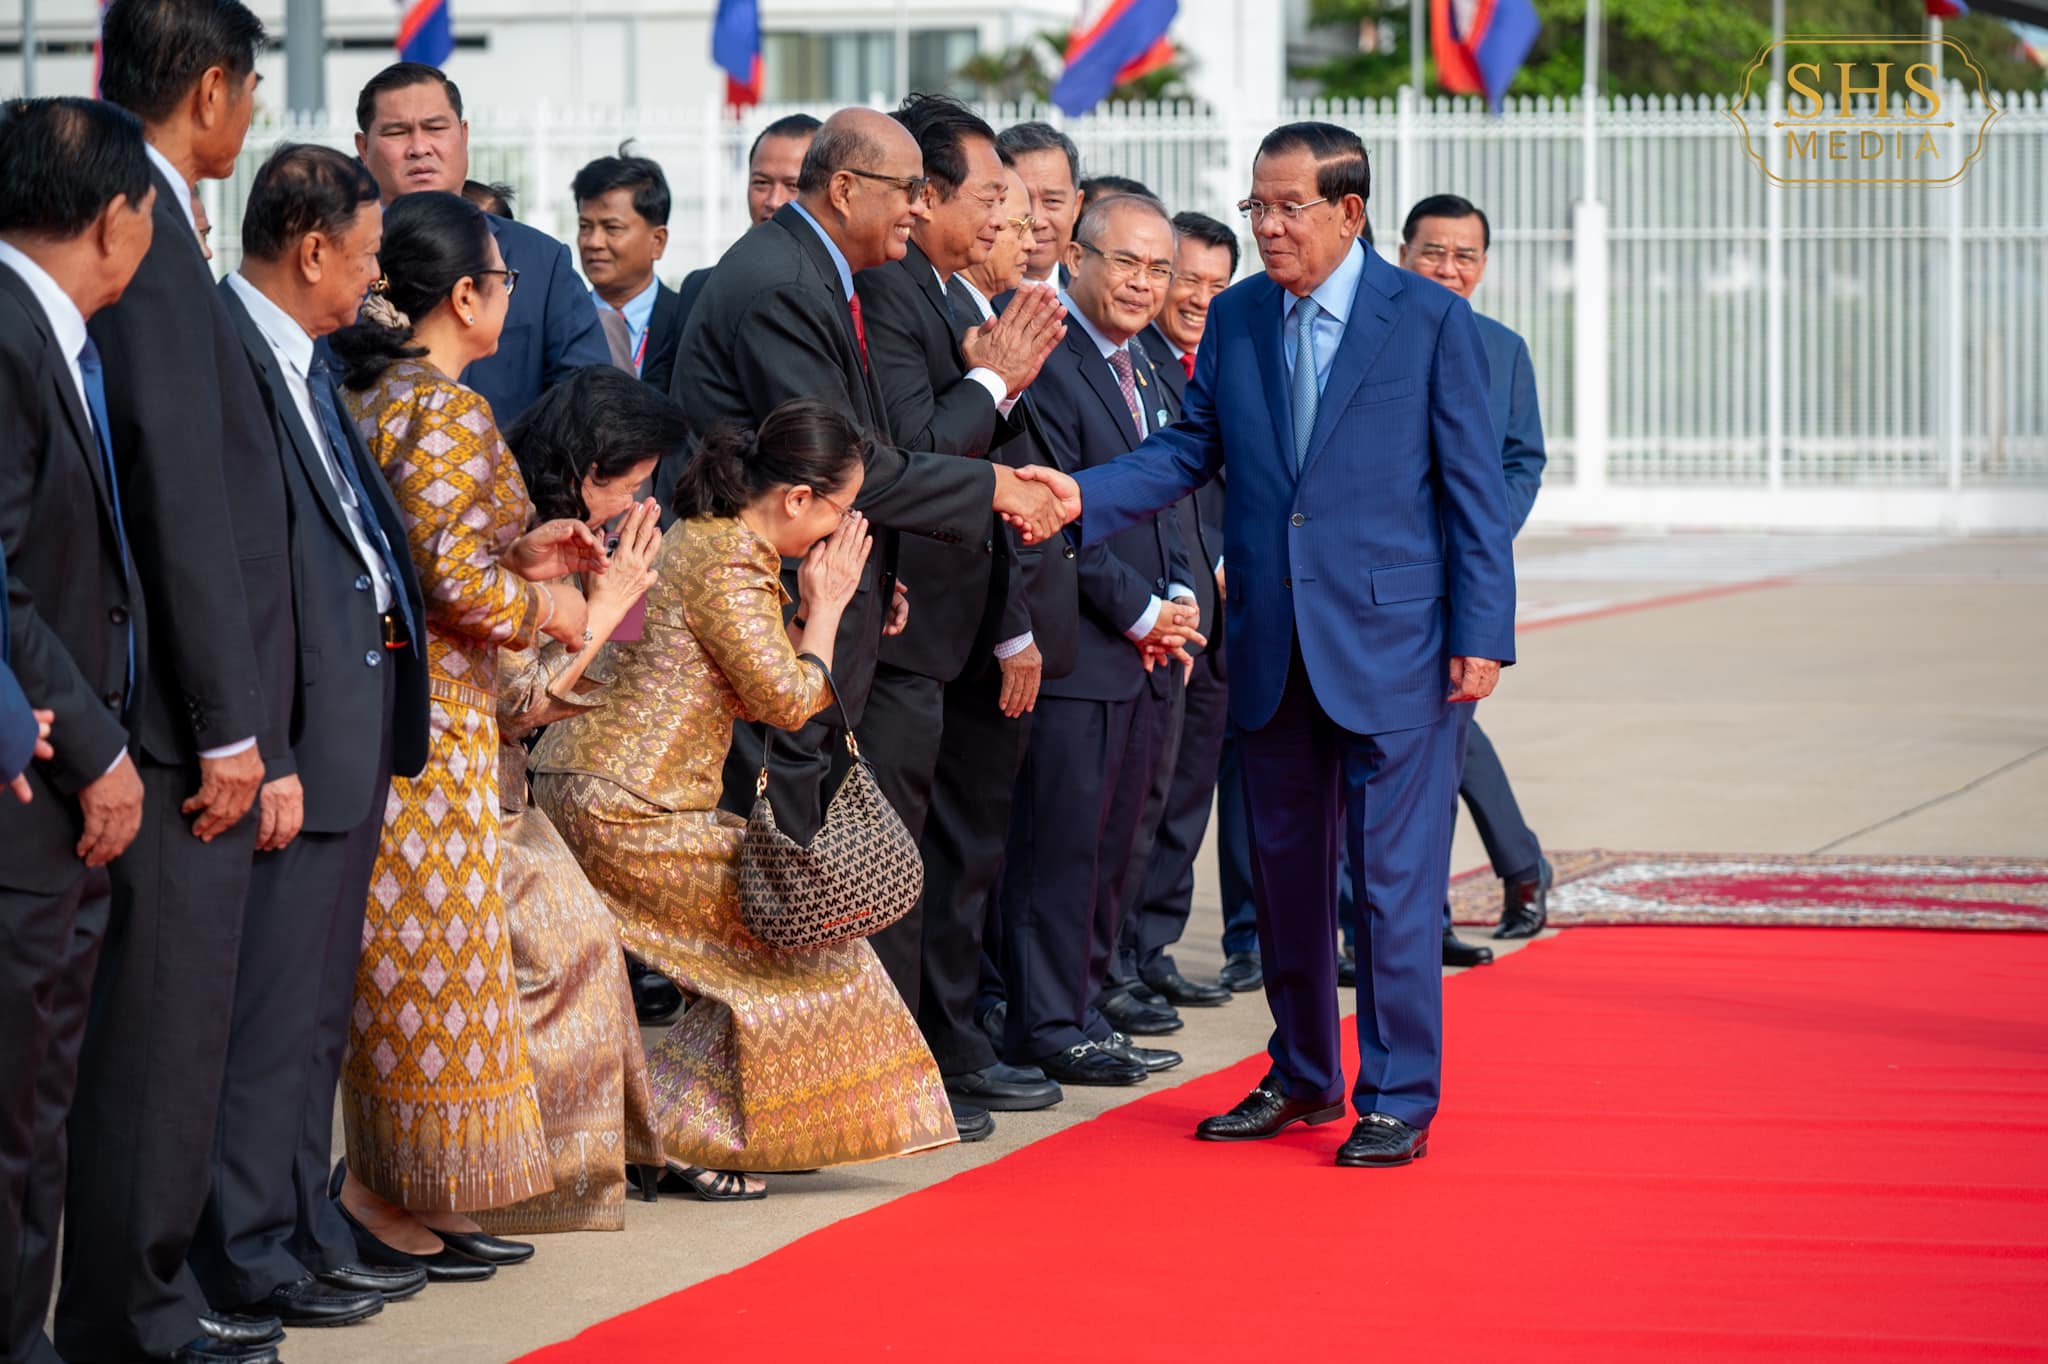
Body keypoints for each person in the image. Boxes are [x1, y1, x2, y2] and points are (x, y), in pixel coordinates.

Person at [1018, 122, 1515, 1169]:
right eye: (1258, 206)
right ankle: (1302, 1072)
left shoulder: (1429, 319)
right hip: (1274, 640)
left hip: (1400, 646)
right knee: (1284, 878)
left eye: (1289, 207)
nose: (1268, 226)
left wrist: (1482, 632)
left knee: (1391, 886)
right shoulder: (1241, 316)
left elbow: (1474, 488)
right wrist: (1081, 496)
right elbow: (1188, 449)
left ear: (1349, 211)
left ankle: (1397, 1096)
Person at [530, 399, 959, 1196]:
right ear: (797, 498)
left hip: (597, 785)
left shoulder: (706, 538)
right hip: (630, 806)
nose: (840, 529)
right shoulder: (731, 558)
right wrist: (827, 608)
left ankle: (672, 1131)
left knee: (766, 950)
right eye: (839, 509)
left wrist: (814, 608)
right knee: (808, 941)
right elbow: (787, 702)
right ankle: (673, 1136)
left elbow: (748, 672)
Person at [57, 5, 302, 1360]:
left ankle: (145, 1294)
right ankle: (134, 1312)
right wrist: (224, 723)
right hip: (165, 716)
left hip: (165, 703)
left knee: (172, 1027)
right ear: (213, 87)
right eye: (251, 90)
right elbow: (181, 498)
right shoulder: (136, 224)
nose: (249, 117)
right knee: (159, 1031)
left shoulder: (148, 215)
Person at [325, 189, 610, 1278]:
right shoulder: (439, 406)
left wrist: (522, 555)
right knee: (434, 973)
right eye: (503, 275)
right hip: (437, 721)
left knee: (428, 970)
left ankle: (416, 1190)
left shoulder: (377, 392)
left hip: (410, 711)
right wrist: (551, 607)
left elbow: (431, 550)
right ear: (463, 295)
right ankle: (381, 1191)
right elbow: (448, 577)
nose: (509, 292)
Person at [673, 106, 1068, 847]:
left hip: (823, 594)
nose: (919, 207)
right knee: (781, 848)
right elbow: (841, 464)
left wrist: (877, 570)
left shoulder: (817, 270)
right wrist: (996, 485)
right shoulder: (785, 283)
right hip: (770, 607)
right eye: (909, 190)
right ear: (846, 189)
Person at [191, 143, 435, 1334]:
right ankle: (246, 1248)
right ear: (310, 249)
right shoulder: (225, 355)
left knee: (314, 1016)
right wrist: (268, 745)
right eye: (368, 254)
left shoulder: (307, 359)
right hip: (290, 736)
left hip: (348, 719)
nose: (376, 277)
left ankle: (299, 1225)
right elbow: (232, 576)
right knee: (270, 1017)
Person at [851, 94, 1068, 1139]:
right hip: (900, 616)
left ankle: (949, 1040)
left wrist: (998, 381)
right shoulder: (890, 292)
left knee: (959, 851)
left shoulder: (943, 293)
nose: (1003, 221)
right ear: (925, 194)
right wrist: (993, 374)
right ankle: (904, 1064)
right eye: (988, 197)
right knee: (899, 853)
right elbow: (918, 450)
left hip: (959, 613)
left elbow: (977, 438)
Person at [0, 96, 152, 1364]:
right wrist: (94, 741)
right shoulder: (7, 335)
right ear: (113, 218)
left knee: (38, 1087)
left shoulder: (46, 331)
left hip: (53, 776)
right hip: (33, 774)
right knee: (15, 1096)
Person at [997, 193, 1199, 1088]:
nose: (1144, 284)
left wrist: (1180, 593)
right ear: (1075, 258)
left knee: (1119, 844)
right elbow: (1048, 508)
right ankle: (1044, 1022)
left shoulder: (1146, 361)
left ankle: (1086, 1010)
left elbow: (1171, 493)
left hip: (1147, 648)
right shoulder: (1049, 355)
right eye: (1126, 262)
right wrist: (1140, 610)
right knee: (1062, 847)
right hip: (1080, 643)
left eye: (1159, 269)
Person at [484, 367, 688, 1233]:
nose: (635, 504)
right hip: (471, 790)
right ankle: (523, 1176)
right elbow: (518, 700)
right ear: (587, 468)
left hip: (514, 783)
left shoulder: (554, 530)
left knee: (589, 945)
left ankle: (579, 1164)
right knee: (568, 951)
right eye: (629, 484)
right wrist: (605, 604)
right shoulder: (511, 530)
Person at [955, 167, 1084, 1059]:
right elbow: (974, 482)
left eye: (1043, 209)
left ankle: (1013, 1016)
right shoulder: (969, 325)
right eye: (1007, 212)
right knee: (972, 853)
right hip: (968, 621)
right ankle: (968, 1035)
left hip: (1032, 612)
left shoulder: (1027, 325)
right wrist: (1014, 626)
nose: (1027, 229)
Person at [1398, 192, 1550, 940]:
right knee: (1424, 738)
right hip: (1379, 573)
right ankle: (1507, 872)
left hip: (1460, 578)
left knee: (1444, 729)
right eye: (1434, 252)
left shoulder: (1503, 348)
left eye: (1465, 256)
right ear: (1402, 255)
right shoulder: (1369, 338)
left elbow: (1522, 460)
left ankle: (1447, 905)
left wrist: (1482, 534)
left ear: (1483, 265)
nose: (1448, 268)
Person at [1116, 209, 1238, 1012]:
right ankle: (1122, 955)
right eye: (1186, 278)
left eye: (1216, 285)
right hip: (1160, 606)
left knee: (1189, 791)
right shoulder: (1140, 363)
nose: (1198, 297)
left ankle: (1154, 944)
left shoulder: (1225, 356)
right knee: (1144, 797)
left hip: (1218, 612)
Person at [353, 63, 608, 424]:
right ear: (363, 148)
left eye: (435, 128)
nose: (419, 147)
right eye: (397, 132)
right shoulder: (339, 263)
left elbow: (588, 402)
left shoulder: (540, 262)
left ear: (464, 134)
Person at [667, 112, 820, 353]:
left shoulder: (852, 289)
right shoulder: (702, 288)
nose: (773, 201)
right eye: (761, 183)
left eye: (793, 186)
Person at [572, 149, 685, 392]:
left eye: (612, 228)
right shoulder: (564, 322)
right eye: (585, 226)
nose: (594, 242)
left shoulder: (686, 322)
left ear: (657, 241)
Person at [995, 122, 1081, 288]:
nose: (1037, 221)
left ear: (1076, 206)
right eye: (1024, 201)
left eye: (1052, 201)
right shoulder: (967, 295)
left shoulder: (1089, 292)